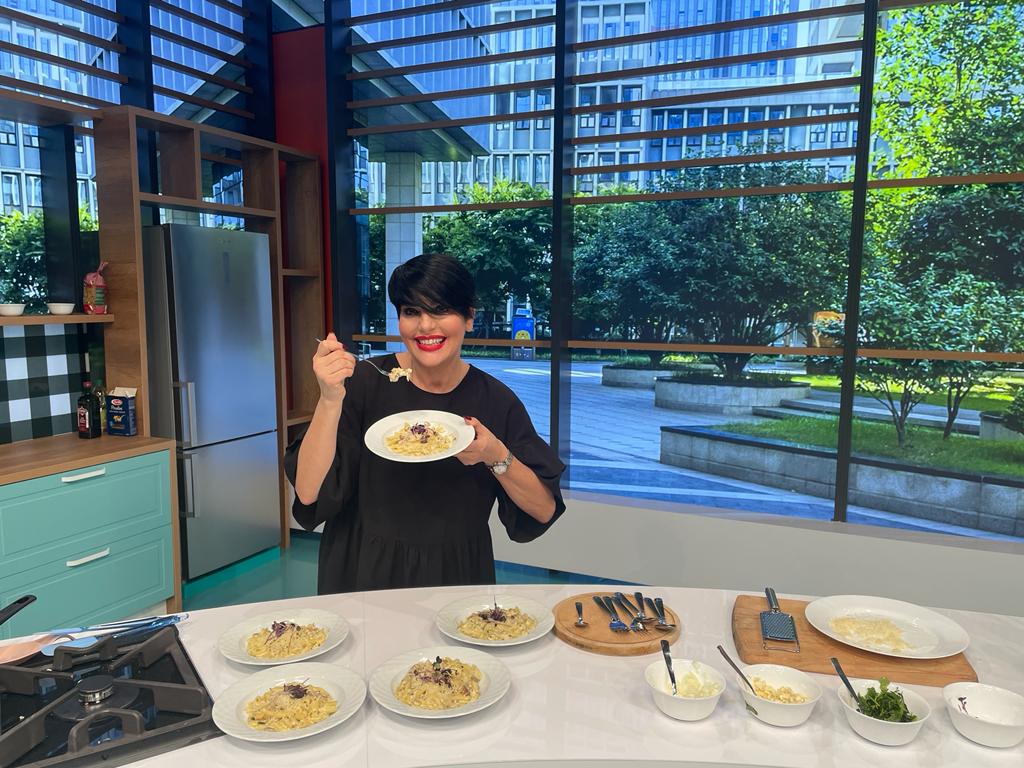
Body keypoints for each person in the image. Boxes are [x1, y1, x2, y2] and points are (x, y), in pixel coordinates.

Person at [284, 253, 565, 594]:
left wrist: (495, 454)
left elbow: (543, 509)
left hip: (456, 571)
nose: (426, 326)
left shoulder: (495, 400)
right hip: (362, 565)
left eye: (441, 310)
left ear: (469, 318)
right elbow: (308, 492)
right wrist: (329, 399)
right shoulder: (363, 382)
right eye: (411, 311)